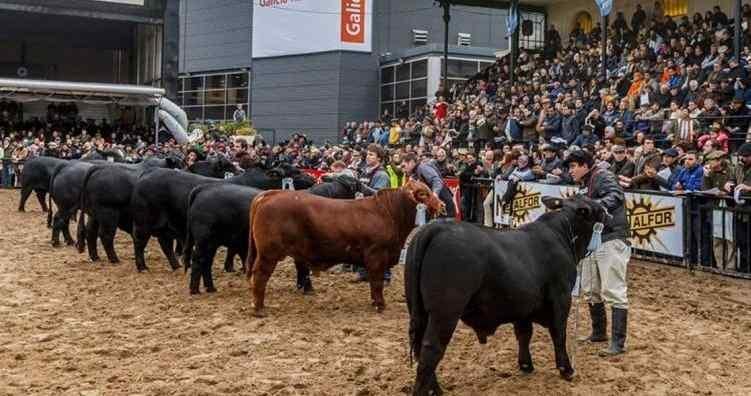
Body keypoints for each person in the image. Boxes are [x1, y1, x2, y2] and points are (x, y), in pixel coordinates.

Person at [564, 150, 631, 356]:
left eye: (573, 166)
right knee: (591, 287)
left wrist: (591, 205)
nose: (570, 171)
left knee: (613, 289)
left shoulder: (602, 175)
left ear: (584, 165)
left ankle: (618, 343)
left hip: (611, 237)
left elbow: (616, 196)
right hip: (593, 241)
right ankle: (599, 332)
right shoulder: (586, 183)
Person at [354, 144, 392, 283]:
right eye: (368, 154)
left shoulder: (381, 174)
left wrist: (362, 188)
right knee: (362, 242)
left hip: (378, 214)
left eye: (372, 155)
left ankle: (385, 275)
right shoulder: (365, 171)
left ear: (380, 158)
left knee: (379, 244)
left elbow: (379, 195)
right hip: (365, 211)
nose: (368, 157)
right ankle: (364, 271)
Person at [401, 152, 455, 218]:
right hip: (434, 206)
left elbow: (437, 181)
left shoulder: (422, 168)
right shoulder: (413, 174)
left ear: (411, 162)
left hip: (443, 203)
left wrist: (434, 195)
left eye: (404, 166)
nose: (403, 169)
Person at [731, 143, 751, 272]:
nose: (743, 159)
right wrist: (730, 183)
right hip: (740, 210)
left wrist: (749, 188)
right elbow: (732, 178)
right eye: (741, 156)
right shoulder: (738, 167)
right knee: (741, 241)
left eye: (746, 156)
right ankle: (744, 268)